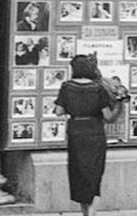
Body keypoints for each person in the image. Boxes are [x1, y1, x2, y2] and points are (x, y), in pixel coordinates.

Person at [54, 54, 127, 216]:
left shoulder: (66, 87)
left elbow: (58, 111)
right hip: (95, 131)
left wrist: (72, 106)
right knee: (94, 171)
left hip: (75, 131)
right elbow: (108, 117)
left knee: (78, 171)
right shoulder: (98, 88)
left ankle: (84, 211)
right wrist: (120, 104)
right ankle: (92, 211)